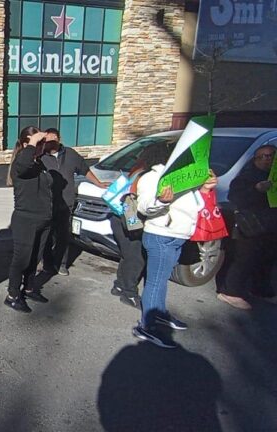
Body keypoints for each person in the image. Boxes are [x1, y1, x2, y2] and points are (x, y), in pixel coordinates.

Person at [133, 160, 218, 349]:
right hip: (161, 235)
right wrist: (161, 201)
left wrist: (205, 188)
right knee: (156, 281)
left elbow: (196, 206)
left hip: (178, 236)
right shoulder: (153, 177)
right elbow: (143, 206)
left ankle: (159, 313)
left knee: (161, 280)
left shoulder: (187, 177)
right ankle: (146, 326)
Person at [109, 143, 174, 310]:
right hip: (131, 218)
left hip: (120, 217)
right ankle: (129, 293)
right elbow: (138, 200)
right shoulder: (147, 175)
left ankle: (119, 285)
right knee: (136, 257)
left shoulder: (137, 170)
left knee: (128, 255)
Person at [40, 128, 108, 276]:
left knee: (63, 236)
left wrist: (98, 183)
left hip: (66, 202)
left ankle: (61, 263)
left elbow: (85, 170)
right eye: (47, 140)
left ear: (59, 139)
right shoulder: (41, 156)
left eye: (53, 139)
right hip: (47, 203)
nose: (50, 143)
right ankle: (47, 263)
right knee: (47, 235)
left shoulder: (70, 154)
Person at [217, 145, 277, 309]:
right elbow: (235, 197)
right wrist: (256, 189)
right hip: (251, 223)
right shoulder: (247, 176)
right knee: (243, 259)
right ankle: (230, 292)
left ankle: (261, 289)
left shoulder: (272, 176)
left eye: (272, 155)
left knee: (267, 259)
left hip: (269, 224)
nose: (269, 159)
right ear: (256, 159)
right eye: (264, 156)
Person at [4, 126, 54, 312]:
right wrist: (33, 142)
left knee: (35, 259)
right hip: (26, 219)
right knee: (22, 260)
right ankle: (12, 295)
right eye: (37, 143)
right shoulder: (21, 163)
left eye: (41, 144)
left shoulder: (38, 163)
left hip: (43, 219)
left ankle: (30, 288)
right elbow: (24, 164)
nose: (41, 147)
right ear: (26, 144)